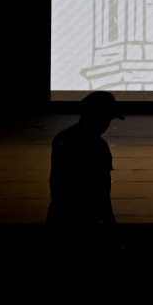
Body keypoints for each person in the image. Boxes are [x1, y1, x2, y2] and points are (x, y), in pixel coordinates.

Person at [48, 90, 122, 226]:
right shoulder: (98, 145)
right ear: (99, 116)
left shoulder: (62, 138)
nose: (108, 124)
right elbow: (101, 193)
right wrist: (110, 225)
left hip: (59, 214)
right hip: (85, 218)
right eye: (107, 118)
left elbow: (56, 182)